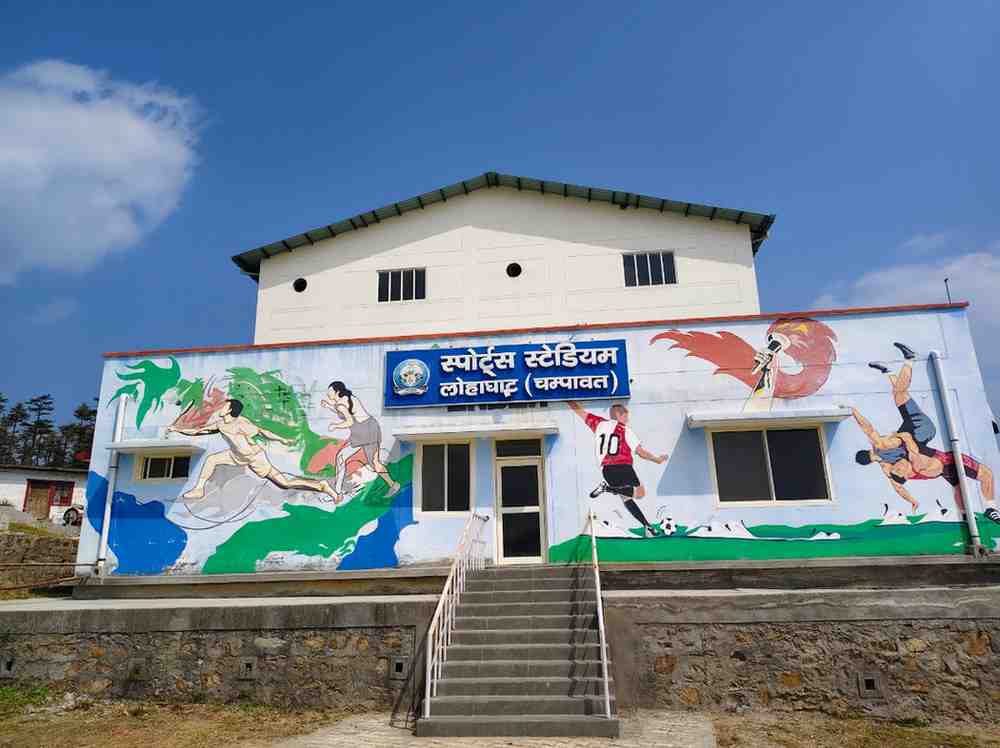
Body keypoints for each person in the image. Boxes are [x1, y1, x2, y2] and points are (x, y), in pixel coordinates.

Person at [848, 342, 1000, 523]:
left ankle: (893, 370)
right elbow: (880, 434)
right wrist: (896, 436)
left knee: (899, 395)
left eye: (897, 467)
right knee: (899, 395)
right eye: (900, 469)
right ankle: (904, 362)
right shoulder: (892, 455)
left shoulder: (887, 463)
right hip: (920, 432)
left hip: (920, 437)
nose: (898, 466)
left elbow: (898, 485)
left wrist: (912, 500)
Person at [167, 398, 338, 501]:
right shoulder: (220, 424)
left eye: (224, 406)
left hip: (254, 458)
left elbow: (263, 432)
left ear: (230, 409)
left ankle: (320, 486)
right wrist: (177, 429)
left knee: (284, 484)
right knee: (212, 459)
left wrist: (282, 439)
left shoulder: (241, 423)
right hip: (235, 456)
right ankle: (199, 489)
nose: (221, 408)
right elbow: (198, 431)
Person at [567, 400, 669, 538]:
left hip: (607, 470)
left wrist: (567, 398)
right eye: (626, 416)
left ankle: (647, 526)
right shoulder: (625, 430)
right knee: (640, 493)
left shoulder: (599, 424)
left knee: (626, 498)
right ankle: (608, 489)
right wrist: (657, 459)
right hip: (623, 467)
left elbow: (580, 411)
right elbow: (640, 452)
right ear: (620, 415)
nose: (628, 419)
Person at [321, 381, 400, 503]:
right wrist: (329, 406)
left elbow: (349, 421)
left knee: (344, 459)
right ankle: (393, 485)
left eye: (330, 391)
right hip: (370, 427)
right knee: (372, 463)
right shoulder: (347, 398)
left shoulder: (340, 404)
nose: (328, 393)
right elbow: (345, 411)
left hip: (362, 431)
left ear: (337, 392)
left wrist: (335, 426)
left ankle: (337, 493)